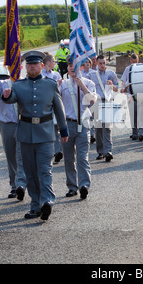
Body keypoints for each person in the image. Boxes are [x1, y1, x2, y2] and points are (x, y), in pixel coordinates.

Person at [2, 51, 69, 221]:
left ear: (41, 66)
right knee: (30, 173)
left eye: (35, 64)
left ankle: (47, 201)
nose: (32, 67)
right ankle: (35, 205)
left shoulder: (51, 85)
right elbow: (11, 100)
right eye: (29, 65)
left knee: (45, 170)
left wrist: (64, 130)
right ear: (26, 67)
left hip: (46, 134)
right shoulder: (18, 85)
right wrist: (6, 96)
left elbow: (59, 109)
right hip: (25, 135)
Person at [59, 61, 97, 199]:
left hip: (83, 124)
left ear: (80, 67)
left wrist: (82, 86)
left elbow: (92, 100)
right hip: (67, 125)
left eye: (74, 66)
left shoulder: (88, 82)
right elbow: (56, 103)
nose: (71, 68)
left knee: (82, 157)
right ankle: (72, 187)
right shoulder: (63, 84)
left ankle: (84, 185)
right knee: (69, 158)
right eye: (69, 66)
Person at [0, 76, 27, 200]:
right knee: (11, 156)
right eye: (10, 66)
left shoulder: (25, 82)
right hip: (8, 124)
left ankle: (22, 184)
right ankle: (15, 186)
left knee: (23, 155)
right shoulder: (2, 83)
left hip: (24, 123)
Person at [86, 55, 119, 162]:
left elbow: (117, 88)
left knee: (107, 127)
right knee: (99, 128)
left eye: (104, 63)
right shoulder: (91, 75)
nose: (103, 65)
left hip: (108, 102)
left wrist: (113, 86)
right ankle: (100, 151)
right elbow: (85, 87)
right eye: (100, 63)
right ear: (96, 63)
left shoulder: (111, 73)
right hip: (97, 102)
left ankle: (108, 151)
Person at [42, 53, 64, 164]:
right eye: (53, 61)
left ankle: (58, 151)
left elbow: (60, 90)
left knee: (56, 129)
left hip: (55, 104)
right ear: (48, 62)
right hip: (45, 106)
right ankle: (52, 151)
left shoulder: (56, 74)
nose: (54, 63)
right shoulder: (40, 74)